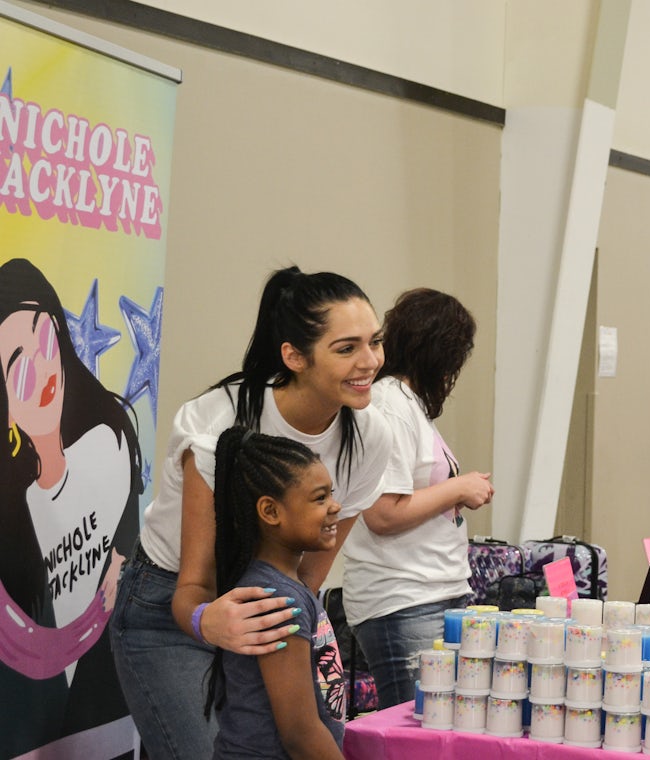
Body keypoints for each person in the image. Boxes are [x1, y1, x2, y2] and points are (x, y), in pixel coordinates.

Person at [109, 267, 392, 760]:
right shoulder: (219, 421)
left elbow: (305, 577)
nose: (370, 362)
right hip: (171, 608)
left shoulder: (370, 439)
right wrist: (207, 622)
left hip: (266, 606)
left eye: (375, 342)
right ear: (294, 356)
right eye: (347, 348)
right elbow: (193, 588)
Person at [0, 258, 142, 756]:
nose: (41, 368)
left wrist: (122, 556)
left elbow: (127, 555)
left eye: (44, 337)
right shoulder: (15, 508)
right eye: (17, 359)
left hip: (109, 715)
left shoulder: (111, 440)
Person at [342, 288, 494, 707]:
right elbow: (382, 513)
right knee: (414, 735)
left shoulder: (408, 406)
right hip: (403, 598)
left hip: (430, 591)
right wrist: (458, 488)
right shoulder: (389, 406)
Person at [206, 427, 345, 759]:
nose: (335, 507)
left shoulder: (284, 589)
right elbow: (300, 733)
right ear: (270, 512)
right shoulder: (276, 600)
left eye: (331, 494)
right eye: (320, 498)